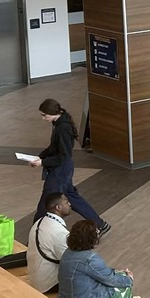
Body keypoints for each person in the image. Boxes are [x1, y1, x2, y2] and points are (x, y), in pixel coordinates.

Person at [31, 99, 109, 237]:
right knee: (72, 197)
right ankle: (99, 224)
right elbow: (54, 147)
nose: (43, 119)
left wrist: (43, 162)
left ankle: (36, 233)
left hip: (60, 171)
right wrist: (40, 157)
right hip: (63, 169)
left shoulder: (62, 128)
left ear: (53, 113)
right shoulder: (58, 123)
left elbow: (63, 156)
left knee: (46, 202)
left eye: (45, 115)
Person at [58, 219, 141, 298]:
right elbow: (110, 279)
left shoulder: (68, 252)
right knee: (123, 283)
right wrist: (129, 279)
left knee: (115, 277)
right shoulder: (90, 258)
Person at [26, 192, 71, 294]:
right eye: (66, 202)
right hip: (49, 284)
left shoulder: (40, 222)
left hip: (36, 278)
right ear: (58, 207)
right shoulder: (58, 232)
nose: (70, 204)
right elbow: (70, 261)